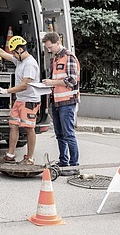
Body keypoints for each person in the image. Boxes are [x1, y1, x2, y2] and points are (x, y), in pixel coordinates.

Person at [0, 35, 40, 165]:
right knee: (13, 125)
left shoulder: (30, 64)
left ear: (21, 50)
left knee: (29, 128)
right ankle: (10, 155)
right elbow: (2, 53)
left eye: (15, 53)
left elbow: (25, 85)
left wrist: (6, 91)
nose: (14, 56)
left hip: (29, 101)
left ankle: (30, 158)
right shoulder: (20, 61)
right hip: (20, 100)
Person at [42, 32, 81, 176]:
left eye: (50, 47)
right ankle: (64, 162)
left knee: (68, 134)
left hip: (67, 102)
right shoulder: (56, 58)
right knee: (59, 134)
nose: (48, 50)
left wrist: (52, 82)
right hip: (57, 102)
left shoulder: (69, 57)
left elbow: (72, 80)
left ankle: (74, 165)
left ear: (58, 42)